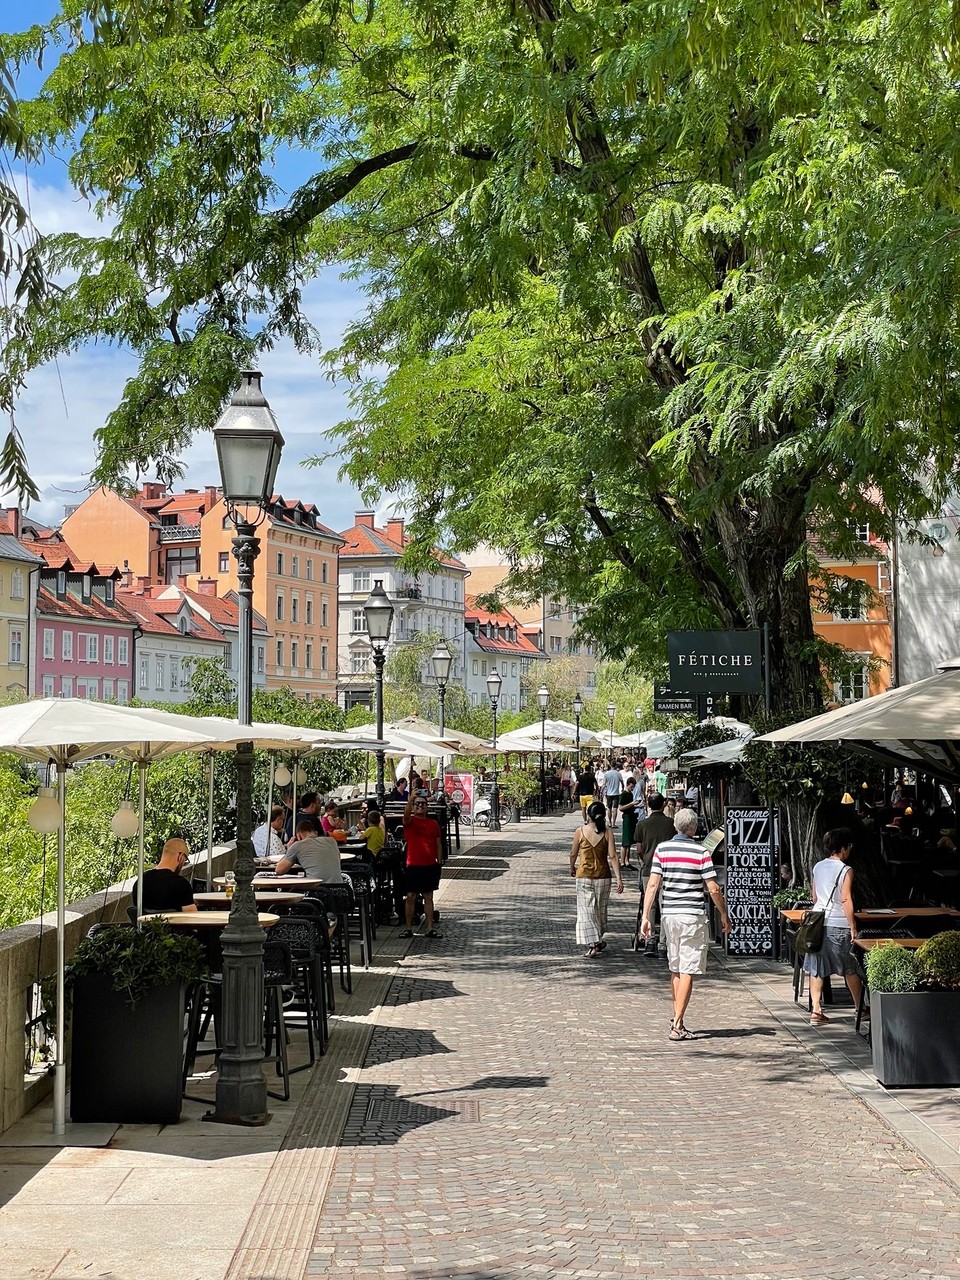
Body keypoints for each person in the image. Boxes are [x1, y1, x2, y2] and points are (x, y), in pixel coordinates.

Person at [640, 808, 731, 1039]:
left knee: (676, 967)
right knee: (689, 968)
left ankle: (676, 1014)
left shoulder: (663, 849)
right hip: (692, 916)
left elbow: (653, 885)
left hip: (670, 915)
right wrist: (723, 913)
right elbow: (713, 887)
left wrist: (646, 916)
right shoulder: (701, 852)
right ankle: (678, 1025)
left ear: (675, 827)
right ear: (693, 828)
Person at [804, 827, 863, 1026]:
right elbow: (846, 899)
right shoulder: (846, 870)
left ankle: (816, 1011)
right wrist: (853, 926)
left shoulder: (818, 867)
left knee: (817, 968)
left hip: (819, 924)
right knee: (849, 968)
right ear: (843, 848)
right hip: (839, 924)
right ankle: (860, 1008)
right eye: (850, 847)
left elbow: (814, 897)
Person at [569, 800, 623, 958]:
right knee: (600, 910)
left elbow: (573, 853)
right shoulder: (607, 832)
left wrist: (571, 867)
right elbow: (613, 856)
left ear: (589, 815)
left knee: (586, 911)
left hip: (584, 875)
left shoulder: (580, 831)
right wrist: (619, 878)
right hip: (603, 876)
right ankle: (597, 939)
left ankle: (593, 943)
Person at [635, 793, 676, 956]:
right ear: (663, 804)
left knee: (650, 905)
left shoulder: (642, 824)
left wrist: (645, 859)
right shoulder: (671, 824)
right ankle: (663, 943)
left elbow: (638, 848)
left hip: (649, 869)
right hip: (668, 870)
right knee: (665, 905)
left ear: (649, 805)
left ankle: (649, 940)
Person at [400, 789, 443, 938]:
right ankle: (409, 928)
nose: (420, 806)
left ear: (427, 807)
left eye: (423, 803)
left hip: (430, 865)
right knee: (410, 896)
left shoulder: (433, 824)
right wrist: (410, 800)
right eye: (417, 804)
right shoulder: (410, 822)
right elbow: (405, 816)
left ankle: (429, 928)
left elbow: (438, 844)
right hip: (413, 864)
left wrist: (439, 862)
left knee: (428, 896)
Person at [135, 837, 196, 913]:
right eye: (185, 860)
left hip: (146, 925)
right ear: (180, 857)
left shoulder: (140, 882)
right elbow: (192, 917)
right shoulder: (181, 885)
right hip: (173, 925)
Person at [276, 820, 343, 881]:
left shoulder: (297, 845)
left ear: (298, 836)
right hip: (341, 890)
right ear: (316, 833)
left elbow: (279, 870)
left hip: (318, 890)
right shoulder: (332, 841)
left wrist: (289, 850)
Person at [618, 777, 640, 869]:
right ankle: (622, 862)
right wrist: (631, 804)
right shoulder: (624, 794)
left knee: (629, 841)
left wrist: (637, 805)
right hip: (627, 818)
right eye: (631, 786)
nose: (632, 788)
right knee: (625, 841)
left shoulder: (630, 794)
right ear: (628, 785)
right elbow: (621, 808)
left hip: (631, 817)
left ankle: (627, 861)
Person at [602, 759, 622, 824]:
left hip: (609, 793)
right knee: (615, 808)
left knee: (609, 808)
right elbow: (622, 782)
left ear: (610, 765)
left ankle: (610, 822)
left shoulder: (607, 774)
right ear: (616, 765)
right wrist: (623, 788)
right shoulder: (618, 774)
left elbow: (604, 784)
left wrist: (601, 791)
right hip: (616, 793)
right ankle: (614, 823)